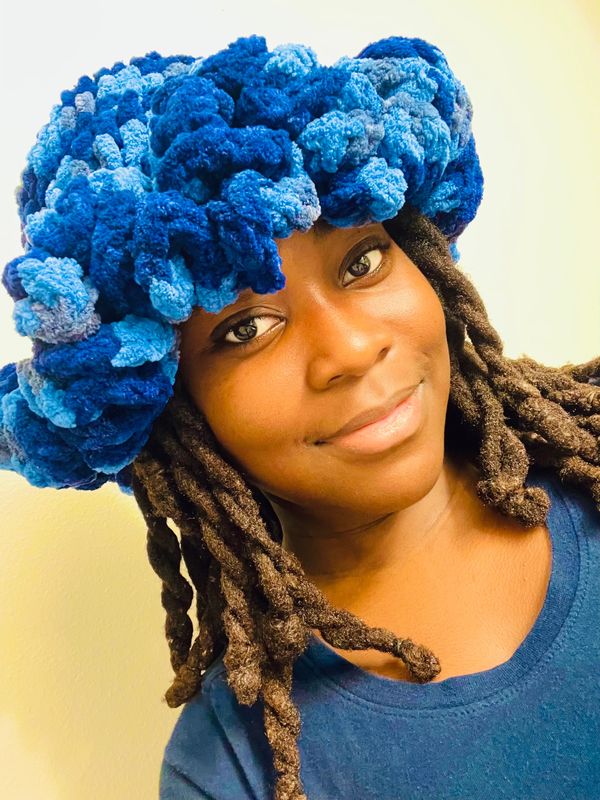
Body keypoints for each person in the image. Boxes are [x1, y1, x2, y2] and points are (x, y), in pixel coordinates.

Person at [1, 33, 598, 800]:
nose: (348, 349)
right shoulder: (239, 768)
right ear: (173, 409)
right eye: (245, 328)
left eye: (363, 261)